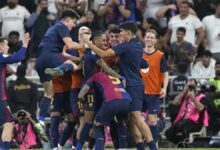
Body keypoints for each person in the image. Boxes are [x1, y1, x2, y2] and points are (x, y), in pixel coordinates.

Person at [82, 21, 157, 150]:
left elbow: (104, 54)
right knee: (130, 120)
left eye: (121, 32)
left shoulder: (126, 46)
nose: (120, 35)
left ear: (128, 33)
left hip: (132, 85)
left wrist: (88, 43)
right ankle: (140, 147)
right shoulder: (138, 46)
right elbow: (143, 64)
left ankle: (153, 147)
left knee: (137, 117)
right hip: (132, 84)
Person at [35, 9, 83, 126]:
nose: (74, 25)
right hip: (51, 57)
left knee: (49, 93)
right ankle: (59, 70)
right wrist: (87, 45)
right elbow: (70, 44)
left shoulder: (51, 29)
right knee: (73, 65)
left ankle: (40, 121)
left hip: (40, 62)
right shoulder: (62, 27)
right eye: (74, 22)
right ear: (67, 20)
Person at [78, 72, 131, 150]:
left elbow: (82, 92)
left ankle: (97, 148)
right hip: (127, 100)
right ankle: (122, 148)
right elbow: (124, 81)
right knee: (120, 122)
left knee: (96, 124)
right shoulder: (117, 76)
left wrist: (80, 99)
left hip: (112, 100)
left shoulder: (96, 75)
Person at [0, 33, 30, 150]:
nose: (8, 47)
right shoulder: (1, 56)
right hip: (0, 98)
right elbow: (17, 58)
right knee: (9, 123)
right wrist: (25, 44)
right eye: (6, 45)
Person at [140, 29, 169, 143]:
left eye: (152, 37)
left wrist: (164, 88)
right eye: (147, 37)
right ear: (144, 38)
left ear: (156, 40)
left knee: (152, 120)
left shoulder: (160, 55)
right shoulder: (138, 53)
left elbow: (165, 73)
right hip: (139, 91)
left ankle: (154, 144)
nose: (149, 39)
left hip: (153, 92)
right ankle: (139, 143)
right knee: (138, 120)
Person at [165, 78, 209, 145]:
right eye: (189, 86)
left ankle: (185, 145)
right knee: (168, 133)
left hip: (195, 122)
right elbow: (175, 103)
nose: (190, 88)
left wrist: (193, 98)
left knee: (184, 130)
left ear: (197, 87)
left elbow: (201, 108)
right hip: (183, 121)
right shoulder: (185, 96)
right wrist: (183, 92)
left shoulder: (202, 97)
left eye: (192, 86)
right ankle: (181, 145)